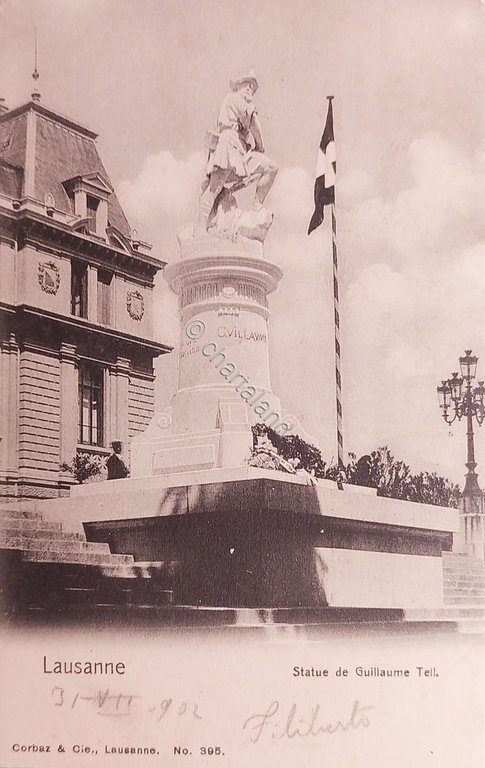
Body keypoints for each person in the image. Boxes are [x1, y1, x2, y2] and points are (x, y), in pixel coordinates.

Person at [195, 70, 278, 235]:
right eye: (247, 85)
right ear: (238, 86)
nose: (250, 89)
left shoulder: (242, 103)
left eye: (253, 87)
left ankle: (256, 206)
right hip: (229, 144)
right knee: (215, 188)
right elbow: (254, 123)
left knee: (271, 167)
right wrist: (260, 146)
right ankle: (200, 227)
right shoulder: (234, 99)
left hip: (242, 151)